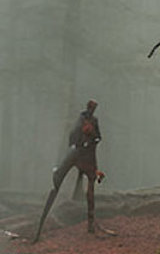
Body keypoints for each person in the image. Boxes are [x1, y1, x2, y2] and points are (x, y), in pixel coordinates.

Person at [32, 99, 107, 242]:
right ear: (88, 107)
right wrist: (80, 141)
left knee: (91, 187)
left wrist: (91, 138)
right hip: (76, 153)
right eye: (91, 107)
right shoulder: (81, 119)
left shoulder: (94, 120)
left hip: (88, 155)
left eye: (94, 107)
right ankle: (39, 228)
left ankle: (91, 224)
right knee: (57, 179)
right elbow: (72, 136)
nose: (93, 109)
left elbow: (98, 137)